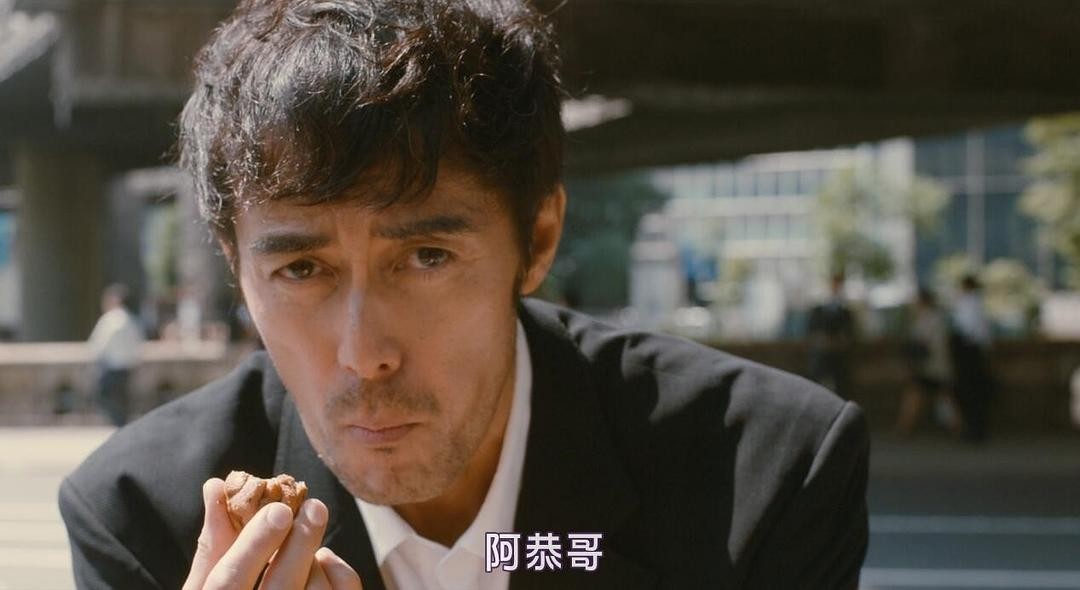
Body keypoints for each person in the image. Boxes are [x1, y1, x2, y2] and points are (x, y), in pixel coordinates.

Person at [59, 1, 870, 588]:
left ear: (538, 239)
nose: (363, 354)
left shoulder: (762, 475)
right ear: (234, 265)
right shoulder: (145, 519)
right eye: (301, 269)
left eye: (426, 256)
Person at [893, 287, 959, 436]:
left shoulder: (927, 319)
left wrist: (909, 363)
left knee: (917, 394)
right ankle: (956, 426)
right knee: (943, 397)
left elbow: (921, 344)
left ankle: (904, 427)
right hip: (937, 366)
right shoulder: (935, 317)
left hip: (929, 367)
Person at [86, 283, 144, 426]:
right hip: (127, 367)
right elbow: (138, 344)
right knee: (123, 400)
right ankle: (122, 424)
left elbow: (98, 345)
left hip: (111, 368)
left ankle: (118, 423)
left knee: (103, 396)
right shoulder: (132, 320)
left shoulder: (110, 319)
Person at [950, 274, 995, 442]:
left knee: (970, 393)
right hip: (974, 352)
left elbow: (967, 330)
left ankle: (974, 429)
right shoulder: (977, 303)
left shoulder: (968, 303)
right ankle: (976, 428)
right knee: (975, 393)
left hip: (969, 353)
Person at [806, 273, 857, 400]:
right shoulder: (817, 310)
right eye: (834, 284)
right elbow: (812, 334)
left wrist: (837, 343)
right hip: (821, 356)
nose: (836, 288)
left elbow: (849, 336)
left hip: (839, 357)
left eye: (838, 285)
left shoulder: (846, 313)